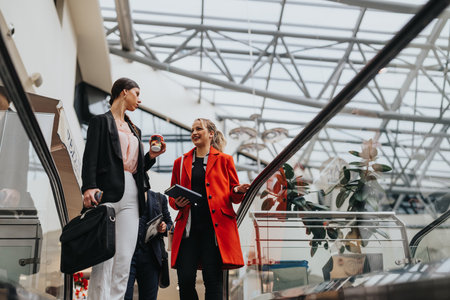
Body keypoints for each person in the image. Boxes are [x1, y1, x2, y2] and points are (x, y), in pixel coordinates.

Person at [81, 77, 166, 300]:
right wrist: (89, 187)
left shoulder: (135, 129)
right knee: (105, 256)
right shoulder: (100, 121)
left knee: (125, 258)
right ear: (124, 92)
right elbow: (90, 157)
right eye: (136, 93)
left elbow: (138, 169)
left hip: (132, 194)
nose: (139, 99)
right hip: (107, 191)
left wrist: (151, 156)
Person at [169, 118, 250, 300]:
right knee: (186, 280)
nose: (194, 133)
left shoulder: (225, 160)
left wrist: (237, 190)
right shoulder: (180, 163)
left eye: (199, 129)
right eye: (192, 130)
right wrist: (177, 203)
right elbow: (172, 200)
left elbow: (233, 194)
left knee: (213, 281)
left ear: (211, 134)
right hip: (188, 231)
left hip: (214, 231)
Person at [124, 190, 173, 300]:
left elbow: (170, 225)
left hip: (151, 256)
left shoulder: (159, 198)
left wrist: (164, 227)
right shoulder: (124, 195)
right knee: (124, 296)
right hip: (128, 255)